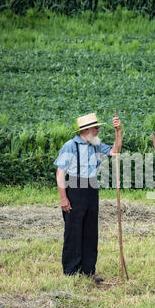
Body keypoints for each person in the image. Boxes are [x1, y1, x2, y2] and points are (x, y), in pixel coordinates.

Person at [54, 112, 122, 282]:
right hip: (74, 189)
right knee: (73, 231)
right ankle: (71, 272)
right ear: (87, 130)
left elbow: (115, 151)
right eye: (96, 128)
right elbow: (60, 173)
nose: (98, 130)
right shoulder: (70, 146)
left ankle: (88, 271)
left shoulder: (96, 145)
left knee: (91, 231)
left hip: (91, 188)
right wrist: (63, 198)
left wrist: (118, 131)